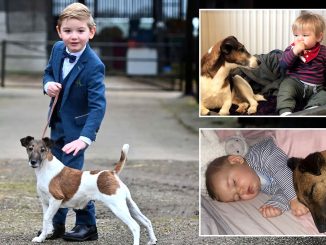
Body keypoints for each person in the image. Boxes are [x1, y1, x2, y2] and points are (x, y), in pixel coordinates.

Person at [42, 2, 106, 241]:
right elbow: (48, 72)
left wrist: (84, 138)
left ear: (91, 31)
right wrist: (47, 85)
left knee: (73, 180)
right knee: (52, 178)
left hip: (77, 134)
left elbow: (98, 106)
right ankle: (55, 226)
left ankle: (88, 226)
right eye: (68, 31)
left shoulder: (94, 66)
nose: (74, 36)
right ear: (59, 32)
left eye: (80, 30)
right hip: (56, 127)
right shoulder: (58, 49)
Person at [205, 137, 309, 218]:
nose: (241, 192)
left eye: (234, 182)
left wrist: (294, 198)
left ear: (237, 160)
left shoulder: (258, 155)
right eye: (237, 197)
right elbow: (282, 189)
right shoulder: (264, 187)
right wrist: (276, 204)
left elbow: (281, 171)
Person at [277, 12, 326, 116]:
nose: (299, 38)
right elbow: (283, 65)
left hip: (316, 87)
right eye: (296, 35)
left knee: (324, 95)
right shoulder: (291, 49)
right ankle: (285, 111)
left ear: (318, 37)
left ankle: (313, 109)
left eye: (305, 35)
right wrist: (294, 52)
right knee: (285, 87)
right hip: (296, 83)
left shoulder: (323, 51)